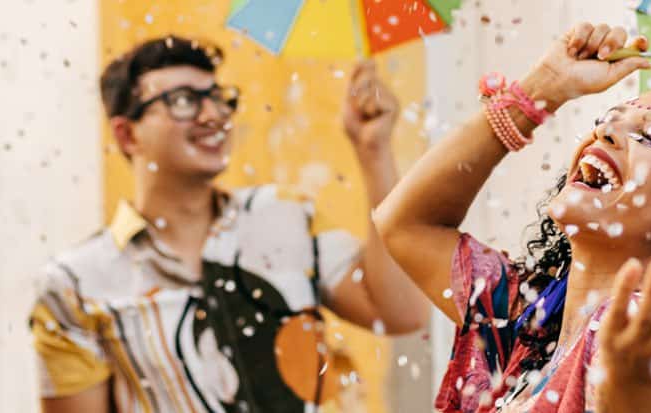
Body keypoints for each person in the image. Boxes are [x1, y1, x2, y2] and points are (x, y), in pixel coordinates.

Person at [374, 22, 651, 413]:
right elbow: (407, 225)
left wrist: (631, 385)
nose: (606, 132)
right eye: (611, 118)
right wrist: (544, 87)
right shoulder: (525, 321)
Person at [29, 35, 430, 413]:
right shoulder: (76, 285)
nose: (214, 115)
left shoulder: (283, 216)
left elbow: (400, 311)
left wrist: (373, 151)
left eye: (219, 98)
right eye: (183, 100)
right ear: (127, 133)